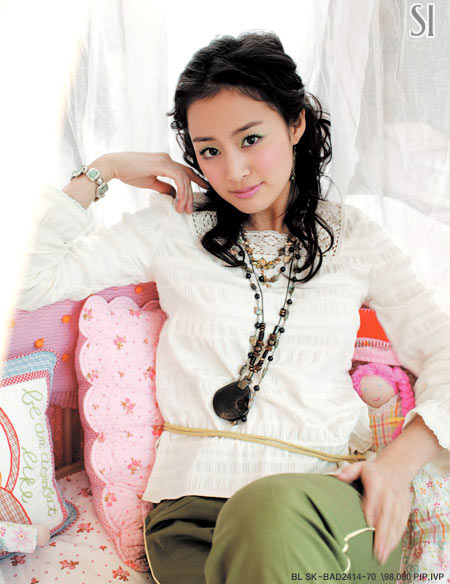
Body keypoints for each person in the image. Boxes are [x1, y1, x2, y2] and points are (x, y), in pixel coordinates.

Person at [16, 31, 449, 582]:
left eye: (251, 139)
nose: (235, 170)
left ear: (296, 124)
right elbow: (28, 282)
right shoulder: (174, 230)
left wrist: (395, 466)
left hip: (326, 502)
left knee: (268, 512)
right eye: (210, 150)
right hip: (194, 517)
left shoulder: (354, 238)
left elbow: (443, 351)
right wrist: (106, 169)